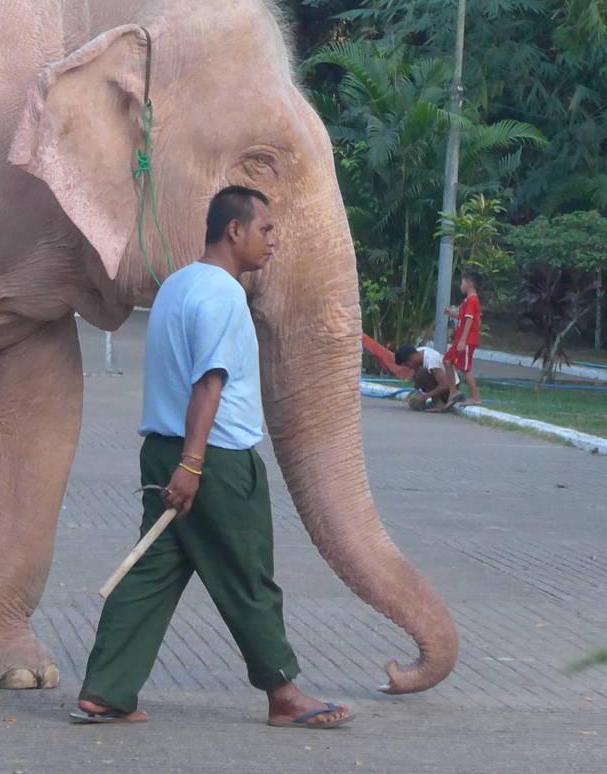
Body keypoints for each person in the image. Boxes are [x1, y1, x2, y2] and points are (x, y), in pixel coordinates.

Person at [72, 186, 351, 730]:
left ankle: (107, 689)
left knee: (151, 572)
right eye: (265, 229)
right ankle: (284, 693)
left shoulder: (177, 286)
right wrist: (195, 464)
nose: (273, 240)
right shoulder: (222, 295)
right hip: (213, 458)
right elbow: (209, 382)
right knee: (248, 575)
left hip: (162, 451)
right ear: (234, 231)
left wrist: (180, 463)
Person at [446, 272, 483, 403]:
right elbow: (463, 317)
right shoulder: (467, 301)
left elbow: (469, 320)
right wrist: (452, 314)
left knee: (467, 369)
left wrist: (463, 340)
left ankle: (476, 398)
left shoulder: (473, 300)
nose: (461, 286)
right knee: (447, 361)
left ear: (470, 284)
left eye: (462, 283)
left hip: (467, 340)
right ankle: (453, 391)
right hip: (460, 340)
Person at [393, 343, 459, 411]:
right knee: (418, 373)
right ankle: (436, 400)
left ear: (412, 358)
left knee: (421, 373)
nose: (409, 367)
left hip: (451, 391)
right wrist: (416, 390)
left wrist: (424, 397)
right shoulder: (420, 352)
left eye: (407, 365)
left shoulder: (431, 361)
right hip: (444, 386)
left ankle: (438, 403)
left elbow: (445, 385)